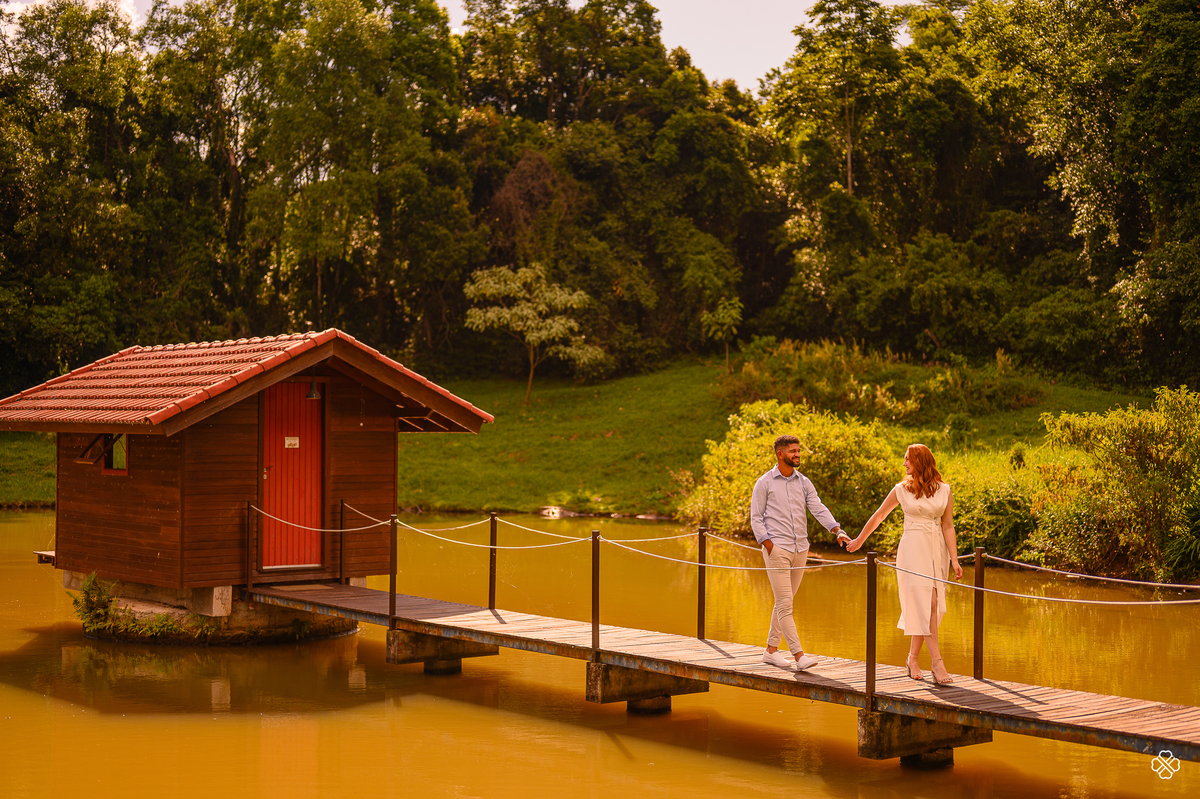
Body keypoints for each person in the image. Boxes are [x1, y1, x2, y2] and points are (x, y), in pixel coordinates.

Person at [844, 444, 963, 685]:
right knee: (927, 603)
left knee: (930, 606)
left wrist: (954, 559)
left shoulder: (945, 490)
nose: (904, 464)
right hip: (912, 550)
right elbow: (879, 515)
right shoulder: (901, 489)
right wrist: (859, 540)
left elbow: (948, 525)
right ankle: (937, 663)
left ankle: (912, 659)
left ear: (920, 461)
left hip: (936, 550)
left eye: (907, 459)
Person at [750, 434, 848, 671]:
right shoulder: (764, 483)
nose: (797, 454)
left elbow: (817, 507)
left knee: (785, 602)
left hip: (801, 549)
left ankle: (771, 650)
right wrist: (768, 544)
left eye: (798, 450)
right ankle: (799, 655)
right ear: (780, 454)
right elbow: (756, 518)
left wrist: (836, 529)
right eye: (792, 451)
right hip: (778, 550)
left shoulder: (804, 482)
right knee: (785, 604)